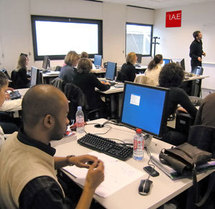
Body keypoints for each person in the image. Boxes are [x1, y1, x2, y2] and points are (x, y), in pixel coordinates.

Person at [0, 84, 104, 209]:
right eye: (65, 115)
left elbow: (36, 161)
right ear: (49, 121)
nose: (67, 121)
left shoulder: (13, 139)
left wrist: (69, 160)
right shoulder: (43, 189)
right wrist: (90, 186)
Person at [159, 63, 197, 145]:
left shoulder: (157, 88)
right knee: (187, 136)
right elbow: (195, 113)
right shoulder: (177, 92)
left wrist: (176, 108)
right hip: (163, 135)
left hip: (153, 132)